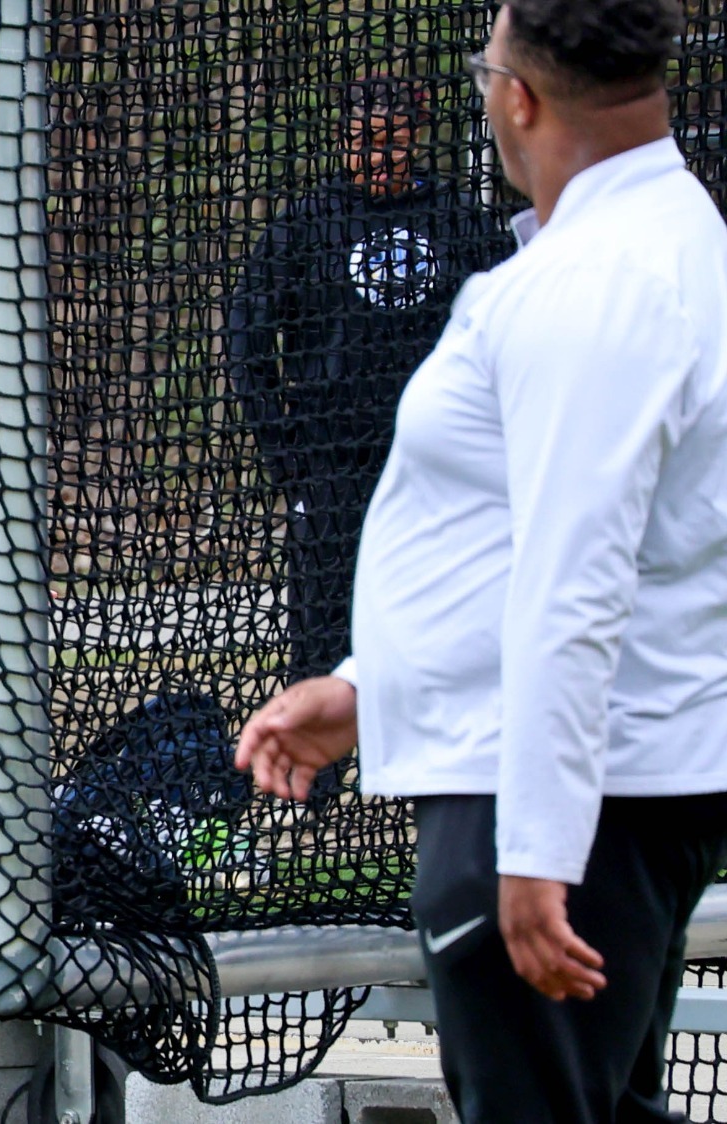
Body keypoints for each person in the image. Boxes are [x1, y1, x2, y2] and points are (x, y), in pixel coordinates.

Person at [235, 2, 727, 1120]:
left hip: (550, 789)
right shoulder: (640, 241)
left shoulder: (597, 280)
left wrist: (534, 847)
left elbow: (573, 577)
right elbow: (515, 539)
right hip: (573, 774)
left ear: (516, 96)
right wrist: (369, 686)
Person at [226, 74, 509, 684]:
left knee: (443, 640)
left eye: (393, 142)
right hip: (332, 468)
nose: (377, 158)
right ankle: (315, 782)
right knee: (323, 644)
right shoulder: (306, 225)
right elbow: (247, 342)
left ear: (417, 139)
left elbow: (511, 335)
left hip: (439, 470)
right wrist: (290, 458)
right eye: (362, 141)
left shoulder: (460, 223)